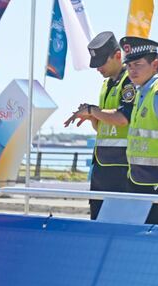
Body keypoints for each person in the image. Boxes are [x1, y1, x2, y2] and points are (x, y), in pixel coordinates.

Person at [64, 32, 134, 220]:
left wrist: (93, 110)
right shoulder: (106, 84)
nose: (98, 69)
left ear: (118, 56)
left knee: (118, 221)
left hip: (121, 167)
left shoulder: (129, 81)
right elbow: (105, 129)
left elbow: (122, 119)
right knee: (97, 218)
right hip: (102, 166)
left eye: (102, 62)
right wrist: (92, 117)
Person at [120, 36, 158, 224]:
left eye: (138, 64)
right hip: (139, 180)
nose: (132, 70)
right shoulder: (142, 92)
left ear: (155, 64)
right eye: (129, 65)